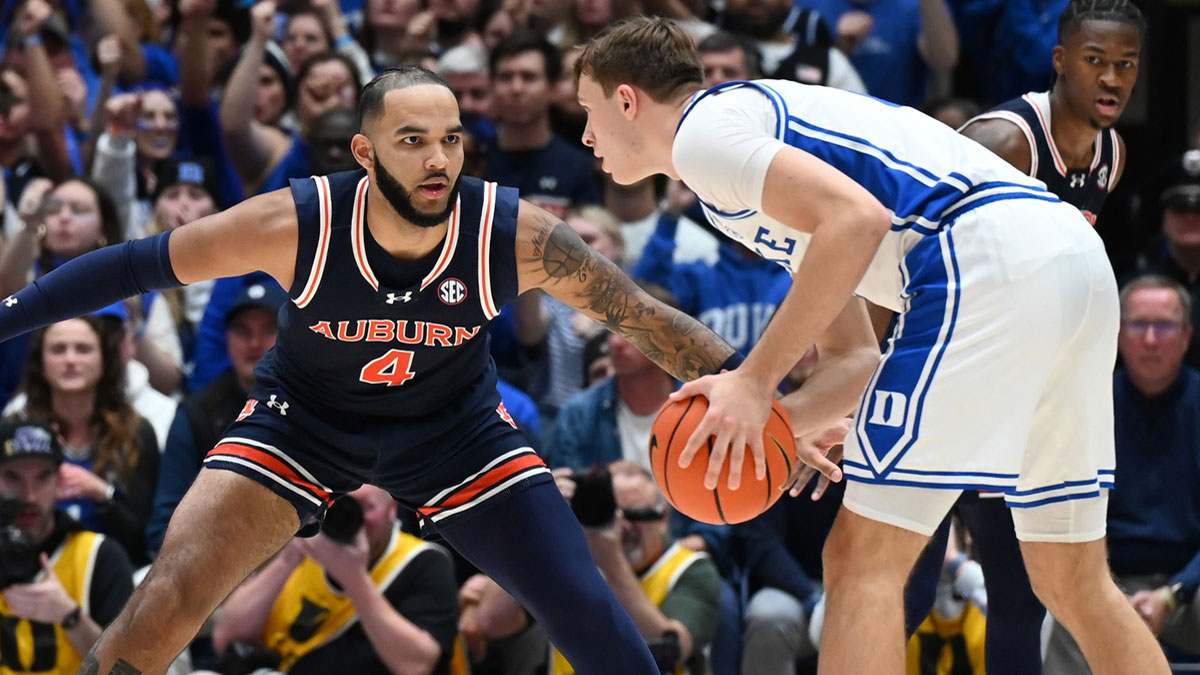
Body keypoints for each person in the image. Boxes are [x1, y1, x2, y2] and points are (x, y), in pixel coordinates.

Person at [0, 65, 739, 675]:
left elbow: (648, 319)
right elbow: (136, 265)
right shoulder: (299, 224)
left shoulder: (512, 234)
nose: (438, 160)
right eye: (412, 140)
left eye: (450, 139)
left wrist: (772, 392)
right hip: (303, 425)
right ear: (364, 153)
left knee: (584, 605)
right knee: (167, 597)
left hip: (458, 433)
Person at [574, 16, 1168, 674]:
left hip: (982, 258)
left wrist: (752, 384)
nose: (586, 136)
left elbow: (857, 221)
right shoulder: (741, 142)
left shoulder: (705, 137)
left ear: (626, 100)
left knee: (861, 561)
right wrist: (788, 418)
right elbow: (855, 357)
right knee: (1072, 578)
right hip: (1073, 260)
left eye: (588, 111)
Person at [903, 2, 1145, 672]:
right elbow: (903, 250)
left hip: (1017, 393)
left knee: (1021, 596)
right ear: (1060, 60)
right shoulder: (1005, 143)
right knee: (905, 589)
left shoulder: (1110, 155)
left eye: (1126, 65)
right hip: (939, 377)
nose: (1112, 78)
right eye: (1096, 61)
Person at [1043, 276, 1200, 673]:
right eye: (1137, 325)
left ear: (1186, 337)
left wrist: (1173, 594)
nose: (1150, 340)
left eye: (1163, 326)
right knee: (1066, 606)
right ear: (1115, 334)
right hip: (1103, 580)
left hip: (1189, 590)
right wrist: (1101, 589)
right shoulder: (1083, 406)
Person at [211, 485, 460, 674]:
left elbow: (418, 664)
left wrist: (355, 579)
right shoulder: (311, 545)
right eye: (341, 505)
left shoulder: (423, 562)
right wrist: (288, 560)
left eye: (367, 508)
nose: (353, 518)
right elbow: (226, 637)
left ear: (392, 510)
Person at [5, 311, 161, 565]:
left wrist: (102, 494)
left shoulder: (136, 432)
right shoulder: (16, 430)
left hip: (117, 573)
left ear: (103, 360)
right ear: (41, 363)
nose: (70, 359)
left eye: (83, 349)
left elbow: (145, 539)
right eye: (58, 349)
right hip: (28, 567)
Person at [146, 281, 285, 557]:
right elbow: (163, 526)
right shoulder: (198, 413)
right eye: (242, 331)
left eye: (269, 329)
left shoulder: (320, 406)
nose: (255, 343)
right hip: (220, 564)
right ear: (226, 340)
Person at [0, 418, 134, 674]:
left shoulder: (100, 556)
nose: (29, 495)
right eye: (13, 477)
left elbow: (127, 669)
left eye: (42, 477)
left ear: (60, 480)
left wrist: (71, 618)